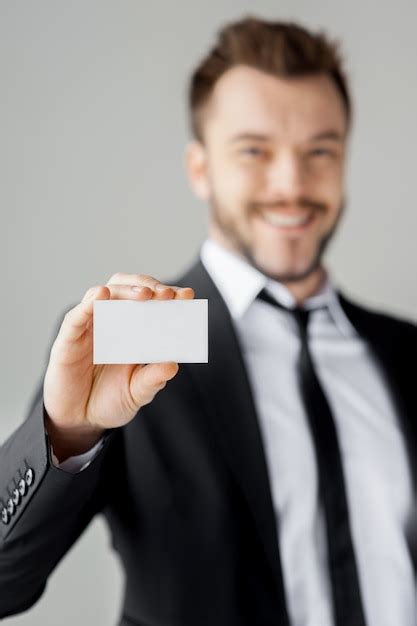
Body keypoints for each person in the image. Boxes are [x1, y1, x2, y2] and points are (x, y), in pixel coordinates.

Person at [0, 15, 415, 626]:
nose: (292, 184)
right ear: (200, 168)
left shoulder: (406, 353)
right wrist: (64, 432)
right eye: (254, 151)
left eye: (319, 151)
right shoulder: (126, 345)